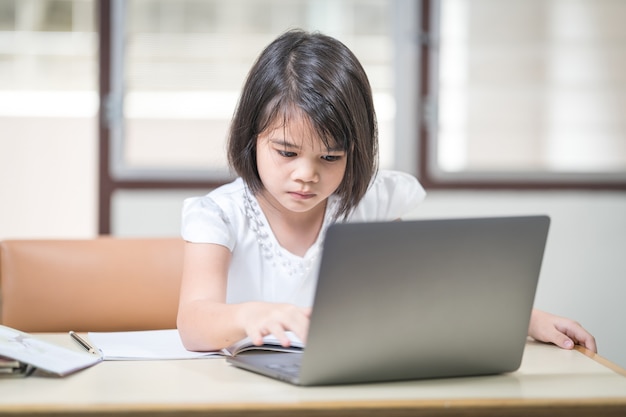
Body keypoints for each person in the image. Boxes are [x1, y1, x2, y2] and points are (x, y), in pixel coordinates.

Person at [177, 29, 597, 354]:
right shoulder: (221, 214)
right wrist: (254, 314)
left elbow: (424, 289)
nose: (306, 175)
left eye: (330, 158)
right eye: (286, 152)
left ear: (355, 152)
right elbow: (194, 324)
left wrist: (527, 318)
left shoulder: (370, 205)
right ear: (251, 137)